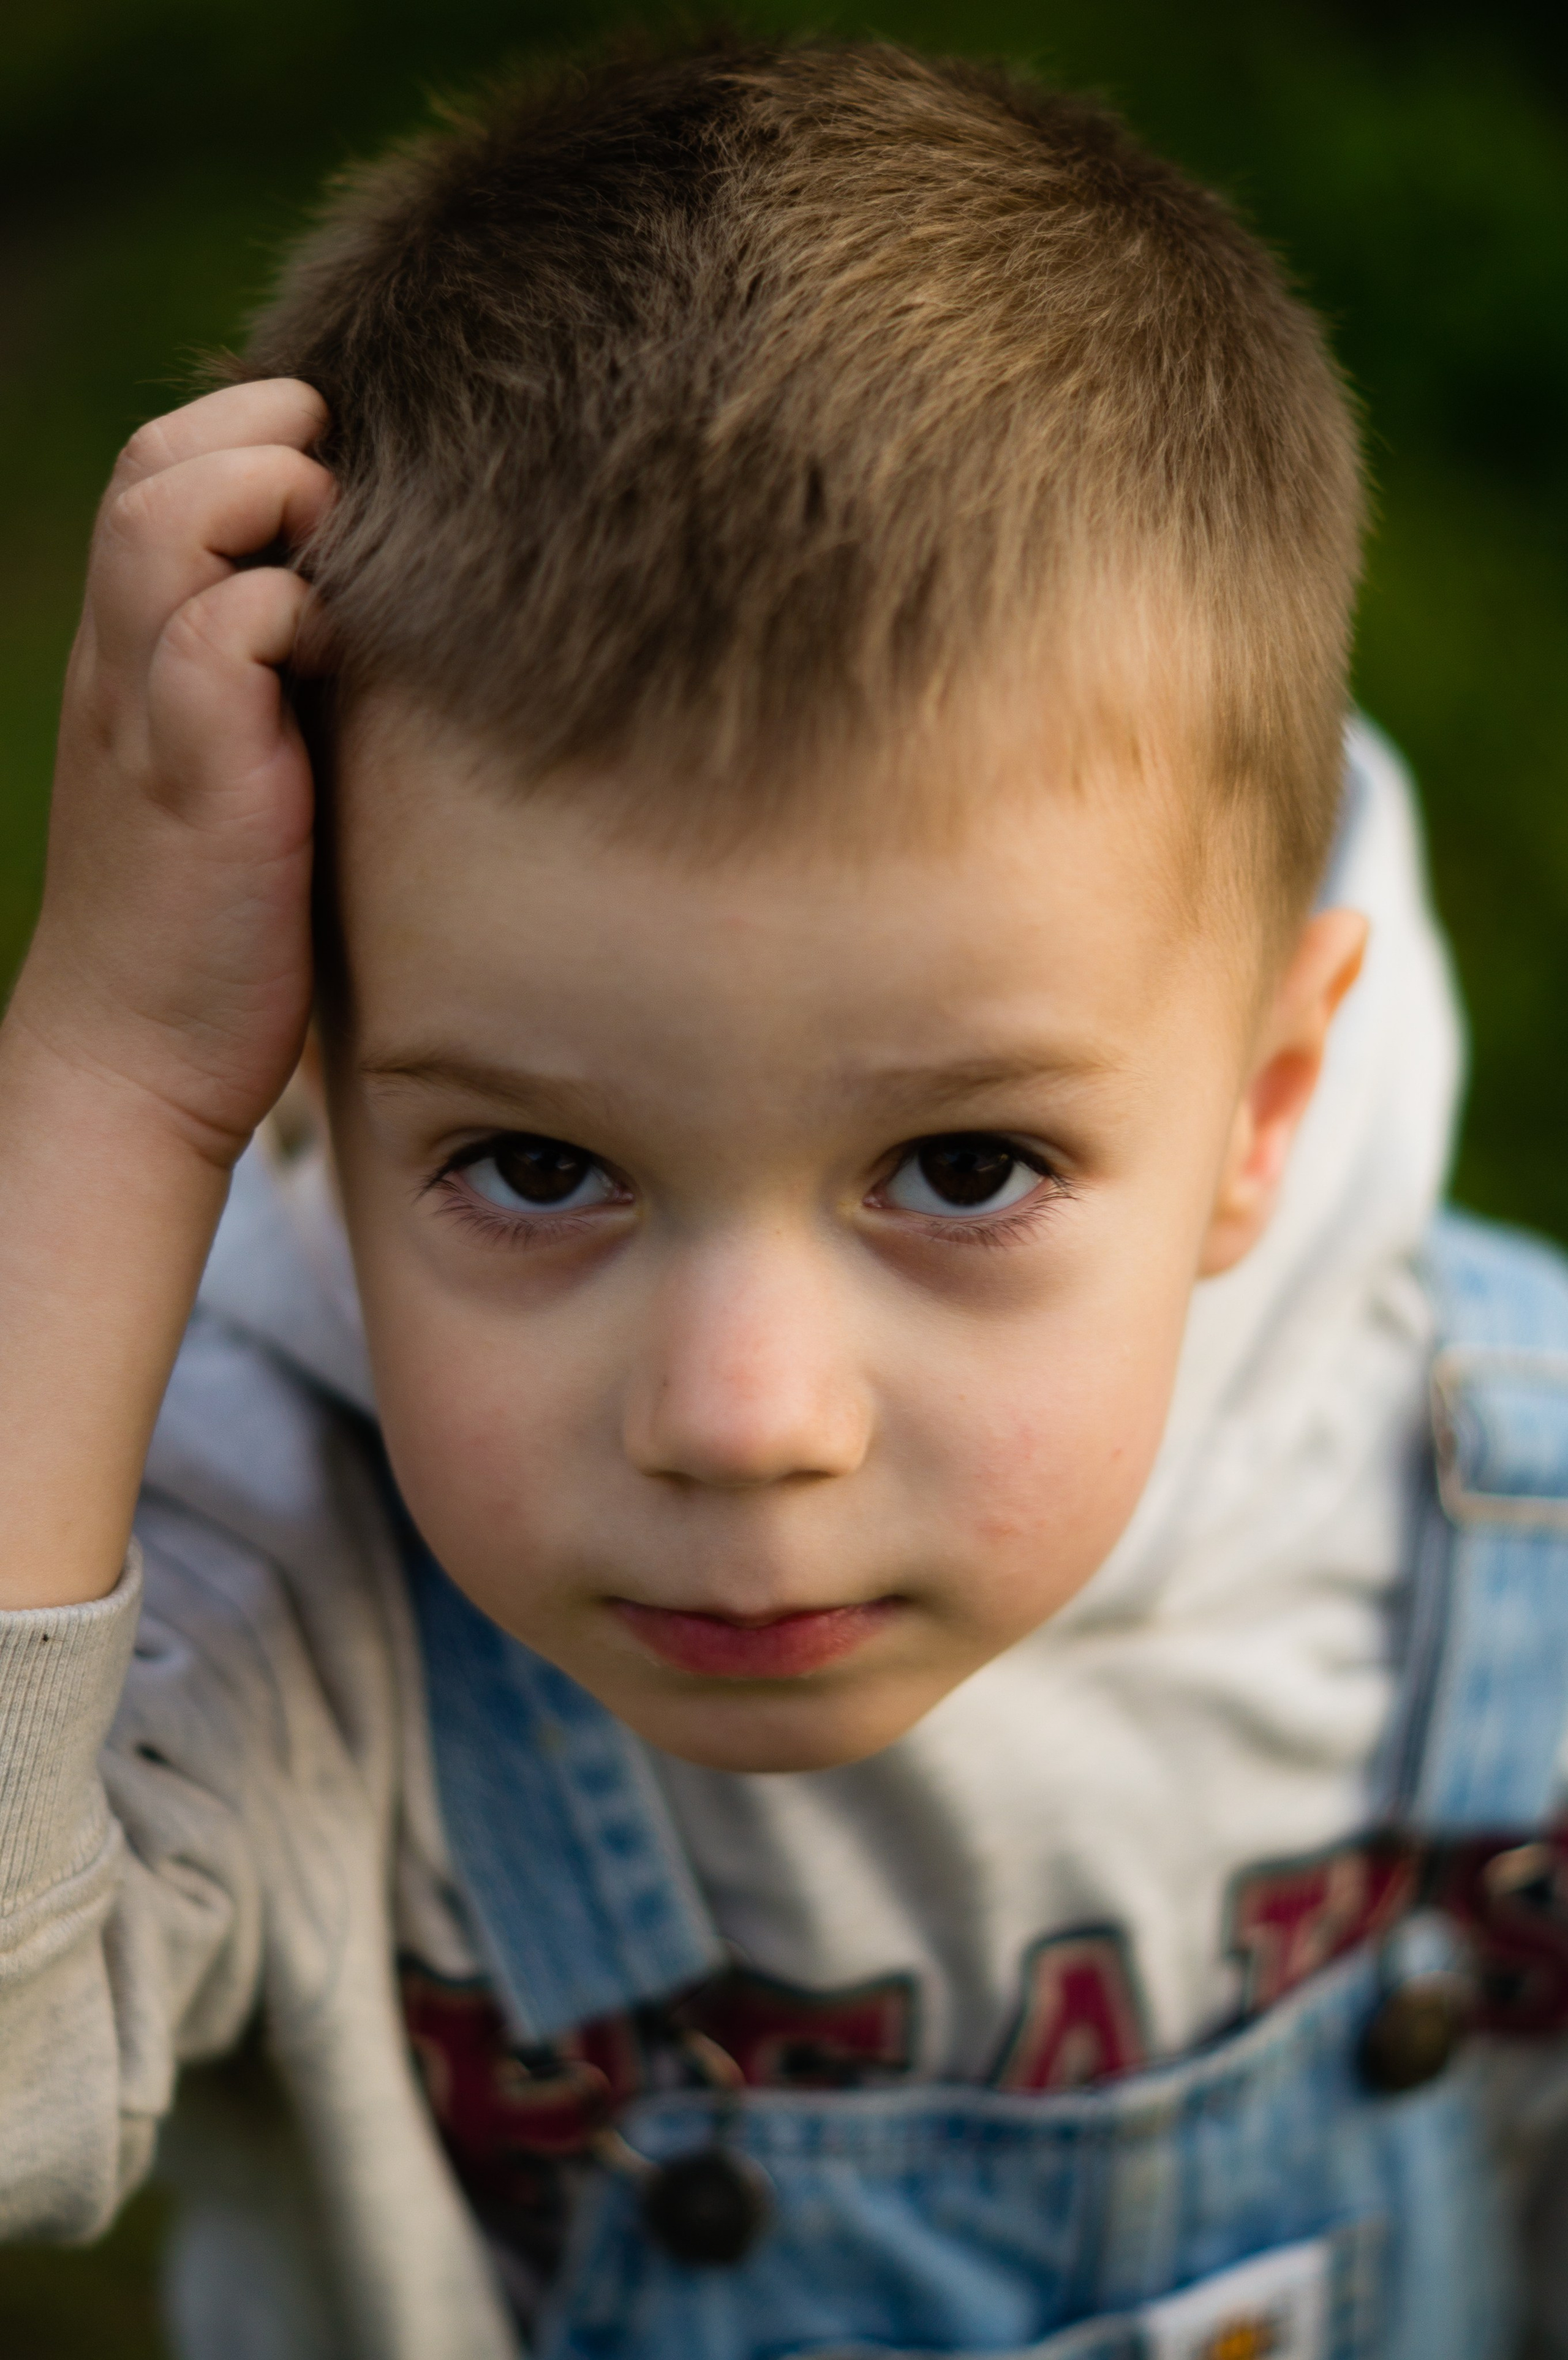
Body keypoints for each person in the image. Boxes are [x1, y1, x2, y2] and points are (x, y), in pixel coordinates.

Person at [1, 30, 1566, 2360]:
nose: (744, 1419)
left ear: (1266, 1105)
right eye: (537, 1165)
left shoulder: (1513, 1518)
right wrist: (113, 1076)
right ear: (306, 1087)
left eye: (962, 1166)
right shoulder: (276, 1584)